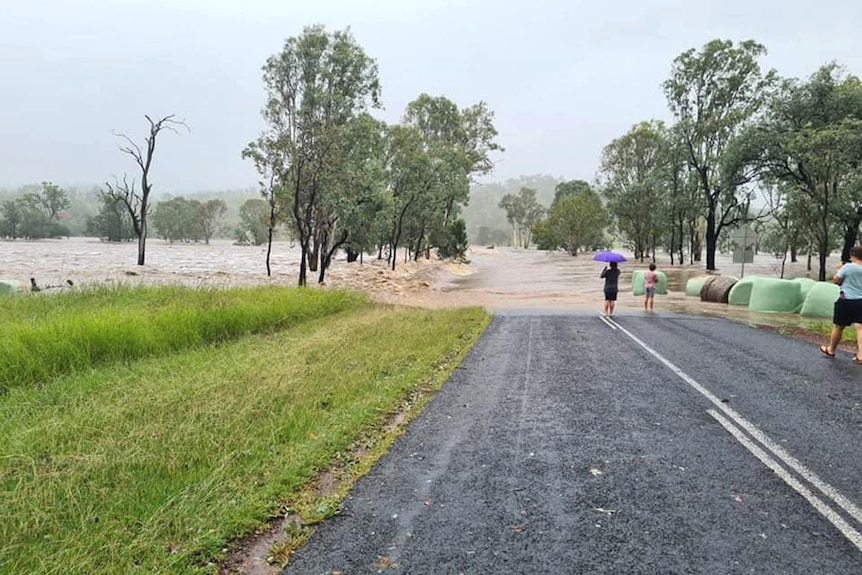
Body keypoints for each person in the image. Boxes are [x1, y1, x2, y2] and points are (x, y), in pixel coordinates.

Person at [819, 245, 862, 364]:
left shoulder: (848, 267)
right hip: (861, 301)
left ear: (852, 255)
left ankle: (831, 350)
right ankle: (860, 355)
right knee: (860, 328)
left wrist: (839, 270)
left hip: (846, 300)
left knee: (839, 326)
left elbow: (836, 280)